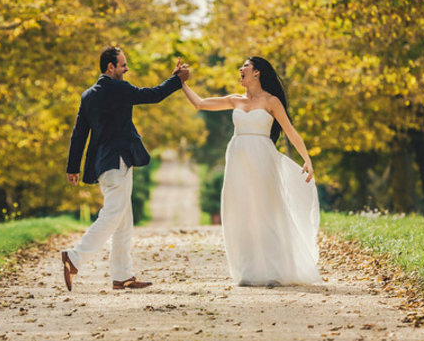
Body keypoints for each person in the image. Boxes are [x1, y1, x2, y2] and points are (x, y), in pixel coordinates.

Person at [180, 56, 322, 286]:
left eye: (245, 66)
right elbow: (199, 103)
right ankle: (249, 271)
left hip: (263, 159)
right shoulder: (234, 100)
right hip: (237, 160)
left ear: (257, 72)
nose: (240, 69)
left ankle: (275, 271)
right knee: (241, 214)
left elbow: (290, 132)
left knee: (266, 213)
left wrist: (307, 159)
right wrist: (181, 83)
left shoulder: (271, 101)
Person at [63, 46, 190, 291]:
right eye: (123, 64)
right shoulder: (117, 89)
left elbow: (78, 134)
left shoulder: (88, 95)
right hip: (117, 161)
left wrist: (73, 167)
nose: (126, 68)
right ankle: (75, 257)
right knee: (112, 216)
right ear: (110, 67)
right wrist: (176, 80)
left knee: (123, 220)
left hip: (103, 164)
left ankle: (122, 276)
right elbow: (152, 95)